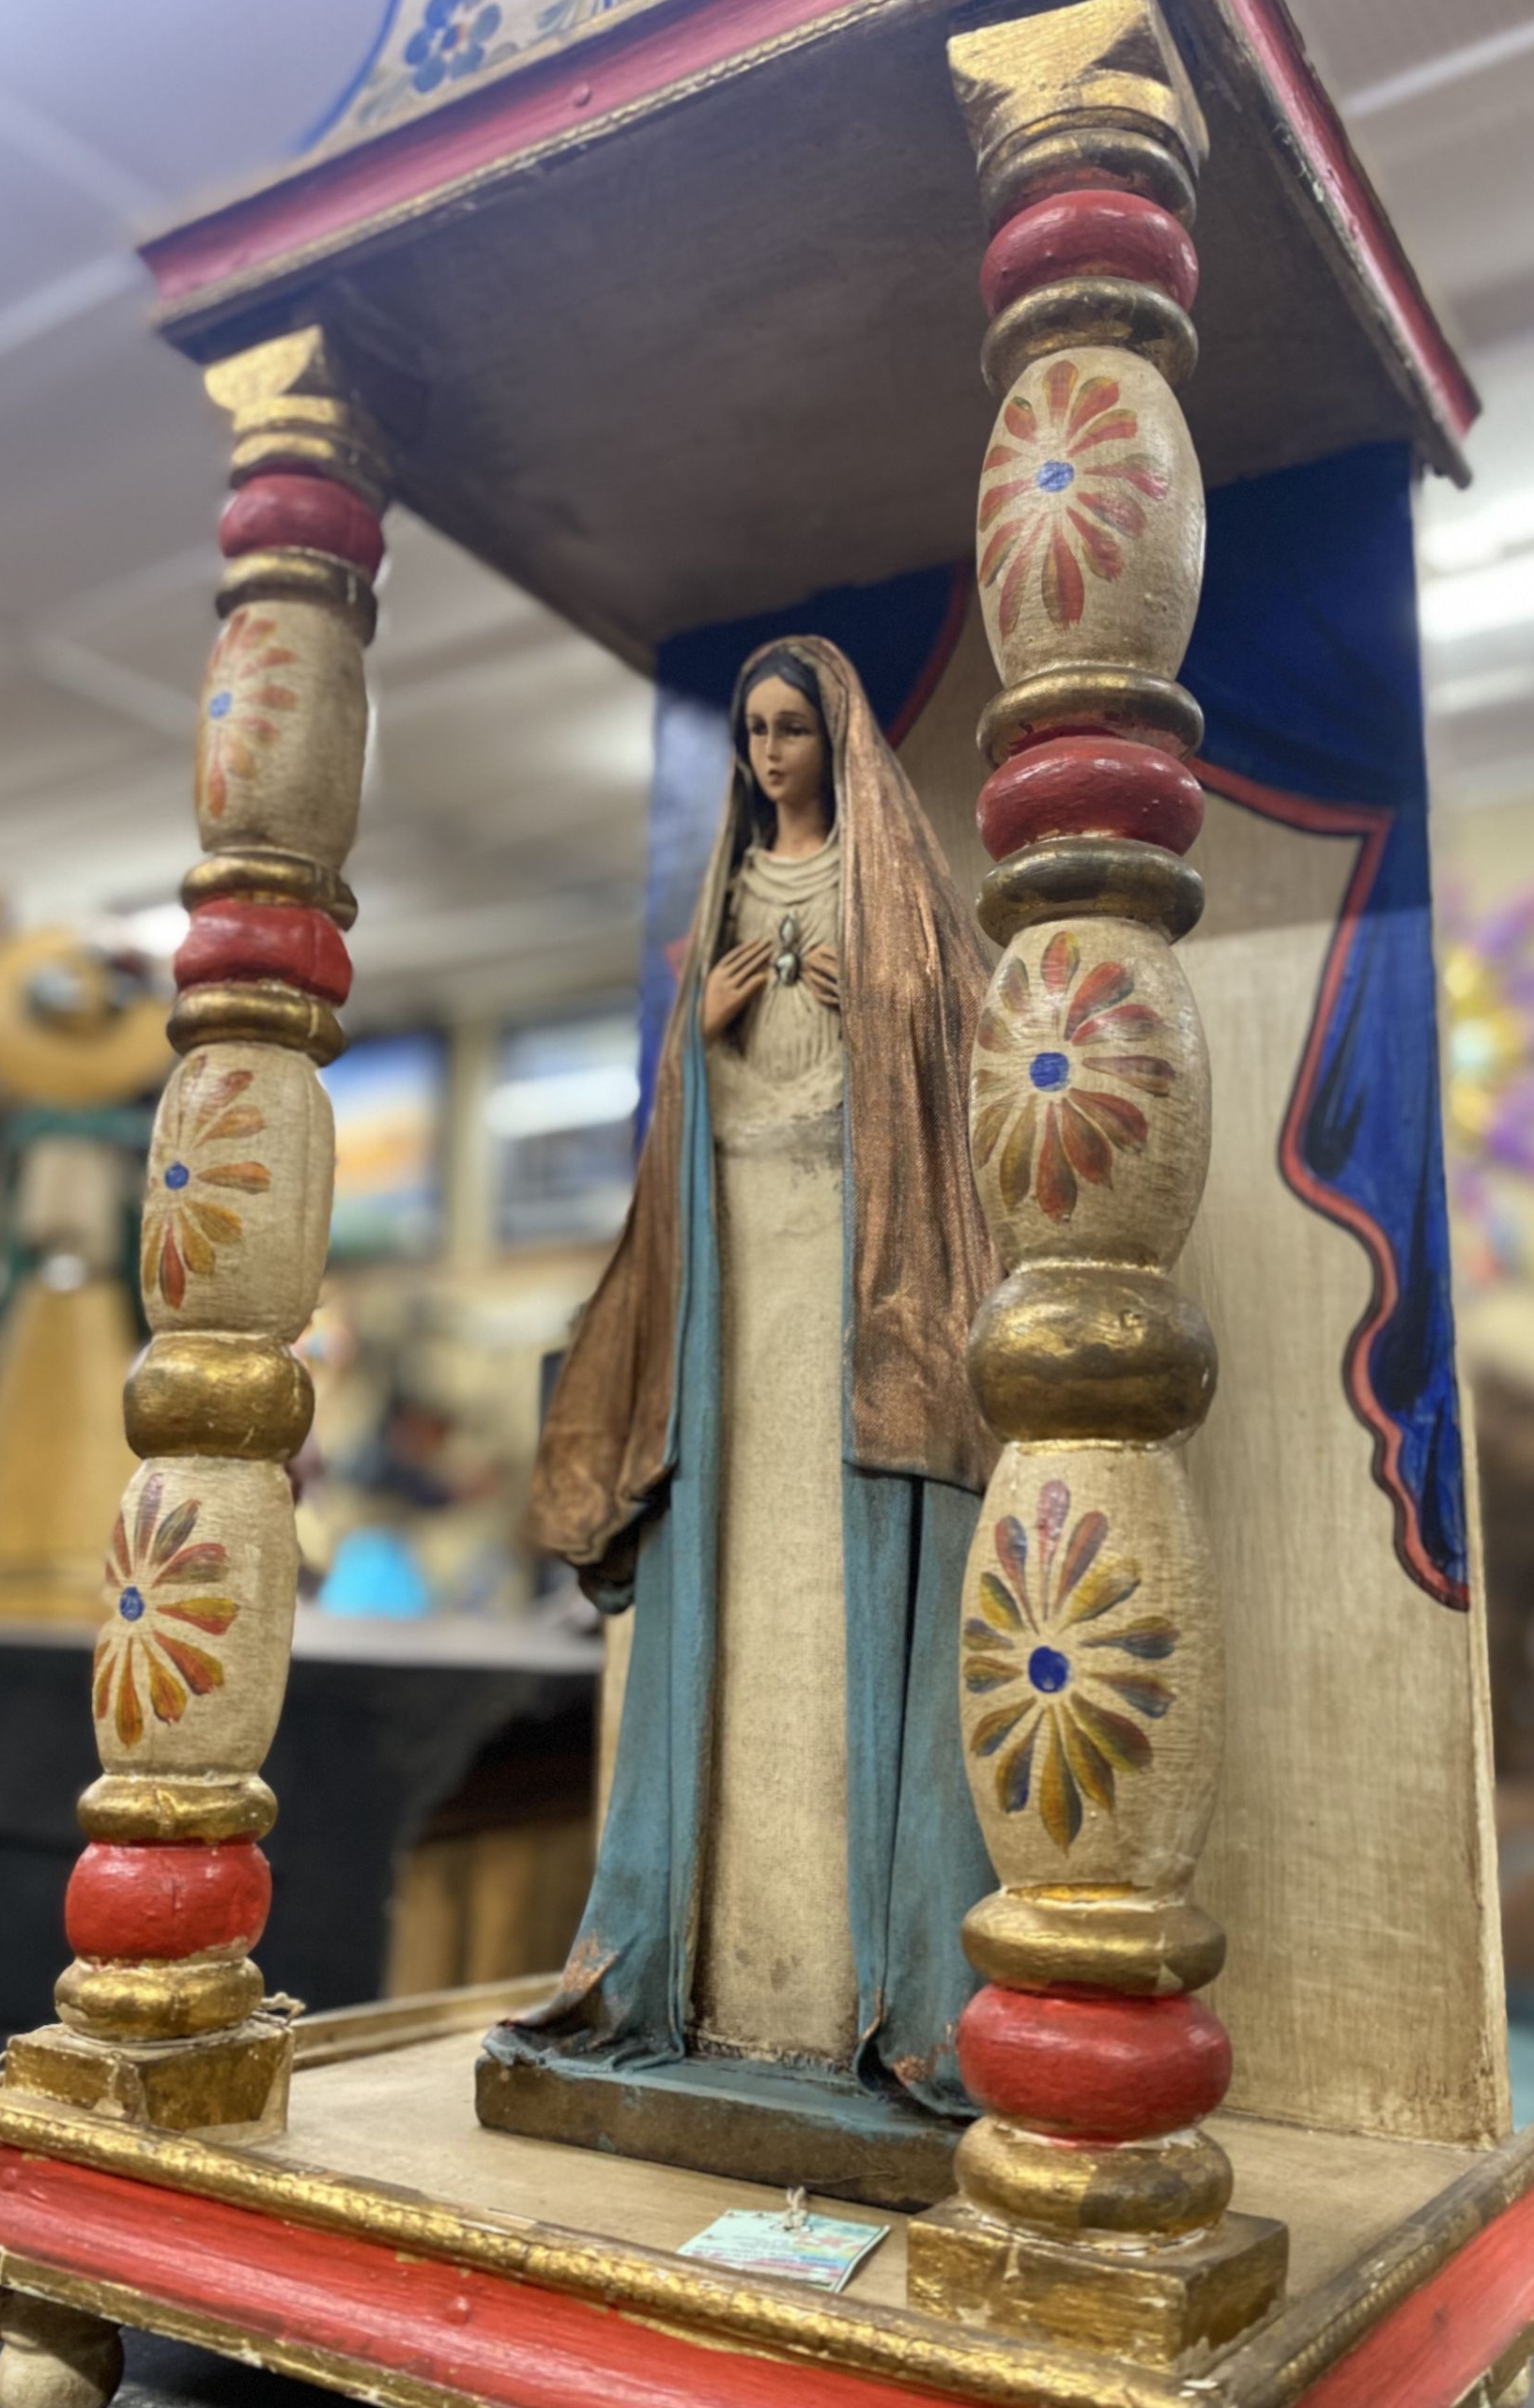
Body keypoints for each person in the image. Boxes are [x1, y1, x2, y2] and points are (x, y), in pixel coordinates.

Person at [486, 635, 996, 2118]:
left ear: (836, 739)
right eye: (754, 732)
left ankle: (875, 1984)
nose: (771, 755)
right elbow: (679, 1105)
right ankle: (692, 1963)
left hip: (848, 1258)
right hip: (735, 1271)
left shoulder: (885, 885)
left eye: (792, 730)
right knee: (733, 1574)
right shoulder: (726, 891)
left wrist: (869, 1007)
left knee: (839, 1587)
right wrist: (704, 1030)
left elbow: (962, 1034)